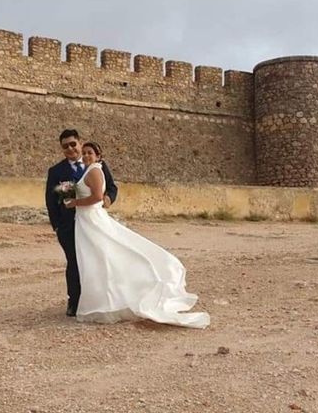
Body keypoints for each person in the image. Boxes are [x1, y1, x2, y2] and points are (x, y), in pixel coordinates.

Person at [64, 142, 210, 329]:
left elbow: (98, 198)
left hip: (92, 221)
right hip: (86, 222)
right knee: (96, 260)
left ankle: (113, 300)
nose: (85, 156)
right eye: (84, 153)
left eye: (89, 153)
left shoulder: (94, 171)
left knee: (104, 257)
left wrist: (74, 202)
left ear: (98, 156)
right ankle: (105, 300)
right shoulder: (89, 170)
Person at [45, 130, 118, 317]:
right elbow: (51, 201)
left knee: (98, 260)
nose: (70, 149)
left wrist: (108, 199)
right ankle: (75, 301)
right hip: (69, 227)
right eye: (65, 146)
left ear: (79, 143)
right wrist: (58, 226)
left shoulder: (96, 164)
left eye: (73, 144)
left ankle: (100, 299)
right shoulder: (57, 171)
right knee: (75, 262)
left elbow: (110, 187)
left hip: (93, 223)